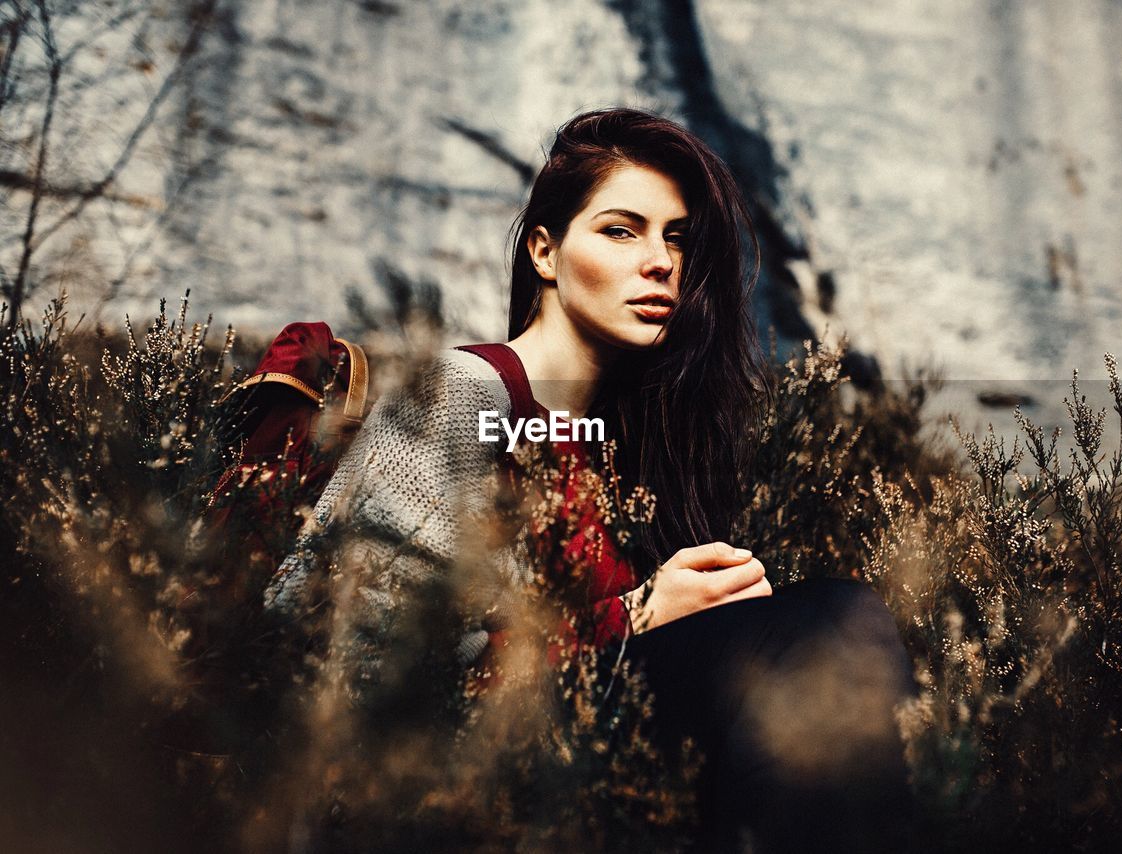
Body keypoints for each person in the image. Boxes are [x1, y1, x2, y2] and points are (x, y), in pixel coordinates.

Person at [265, 108, 913, 851]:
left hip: (592, 779)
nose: (662, 260)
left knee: (833, 642)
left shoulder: (633, 445)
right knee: (830, 625)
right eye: (621, 230)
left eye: (676, 237)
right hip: (449, 787)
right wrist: (638, 615)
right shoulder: (462, 393)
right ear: (545, 251)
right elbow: (359, 672)